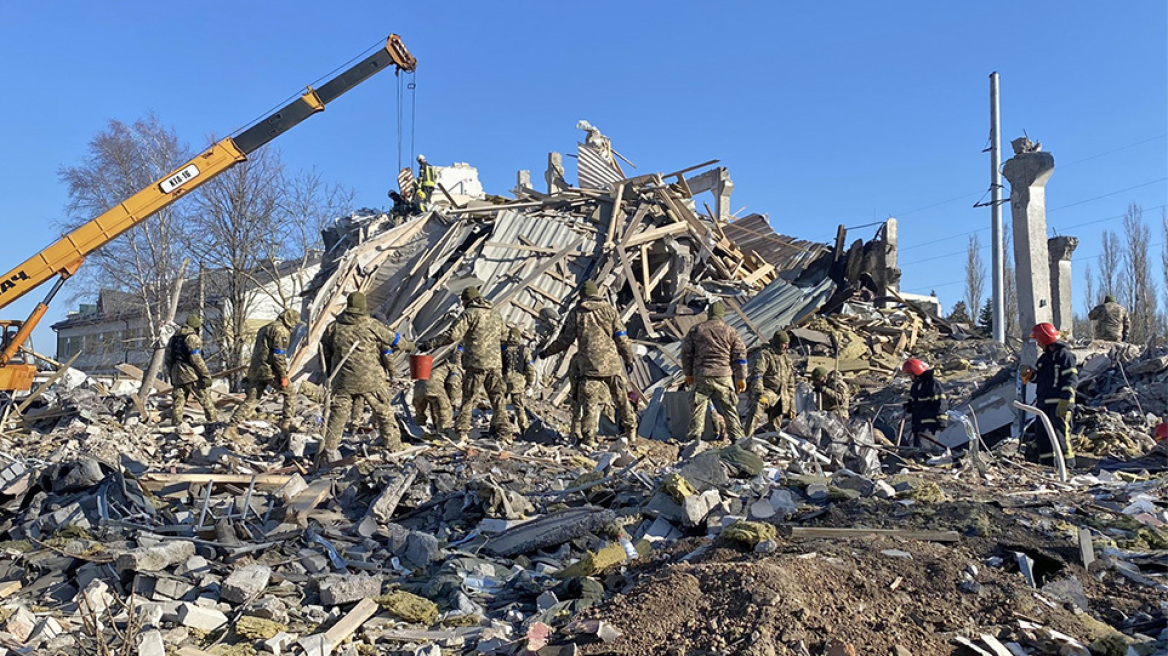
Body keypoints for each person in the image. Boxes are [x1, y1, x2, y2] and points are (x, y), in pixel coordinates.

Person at [539, 280, 637, 444]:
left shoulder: (576, 313)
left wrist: (546, 353)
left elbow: (565, 340)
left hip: (588, 366)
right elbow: (622, 338)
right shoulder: (610, 311)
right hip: (611, 365)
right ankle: (631, 431)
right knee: (621, 400)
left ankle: (589, 439)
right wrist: (628, 359)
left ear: (582, 295)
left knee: (590, 404)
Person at [319, 292, 404, 467]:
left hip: (343, 380)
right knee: (384, 412)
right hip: (371, 380)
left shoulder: (333, 327)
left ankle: (327, 453)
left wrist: (330, 372)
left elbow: (324, 352)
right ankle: (394, 448)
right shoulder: (372, 325)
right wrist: (408, 345)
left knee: (337, 417)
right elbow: (395, 339)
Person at [418, 286, 511, 439]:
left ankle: (461, 431)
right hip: (495, 364)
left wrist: (430, 343)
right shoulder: (496, 314)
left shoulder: (469, 314)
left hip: (476, 364)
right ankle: (505, 432)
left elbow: (453, 335)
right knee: (498, 399)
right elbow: (504, 336)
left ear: (467, 300)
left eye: (463, 301)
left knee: (469, 399)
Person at [681, 301, 747, 441]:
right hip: (724, 375)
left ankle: (694, 440)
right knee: (729, 409)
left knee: (698, 408)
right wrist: (741, 377)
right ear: (722, 315)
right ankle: (738, 440)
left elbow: (686, 354)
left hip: (702, 375)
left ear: (709, 314)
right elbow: (740, 355)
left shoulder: (696, 330)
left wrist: (688, 374)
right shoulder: (731, 331)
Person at [230, 309, 299, 433]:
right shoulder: (281, 331)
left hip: (256, 369)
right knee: (290, 393)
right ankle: (286, 423)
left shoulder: (264, 328)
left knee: (252, 399)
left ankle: (231, 426)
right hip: (269, 370)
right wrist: (283, 375)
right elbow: (279, 355)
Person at [1022, 323, 1077, 469]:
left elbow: (1071, 379)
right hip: (1043, 405)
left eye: (1039, 341)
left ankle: (1068, 468)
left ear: (1045, 339)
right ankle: (1047, 467)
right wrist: (1030, 375)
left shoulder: (1065, 356)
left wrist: (1066, 400)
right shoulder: (1044, 359)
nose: (1038, 344)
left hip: (1060, 403)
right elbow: (1038, 379)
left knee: (1061, 436)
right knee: (1042, 436)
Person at [744, 330, 797, 436]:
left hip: (781, 396)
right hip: (767, 392)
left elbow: (790, 385)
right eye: (784, 344)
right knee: (756, 410)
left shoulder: (787, 359)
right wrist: (759, 393)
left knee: (776, 427)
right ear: (778, 343)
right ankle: (746, 438)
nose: (786, 347)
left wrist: (792, 406)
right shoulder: (765, 355)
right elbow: (758, 375)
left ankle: (772, 444)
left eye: (787, 344)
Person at [165, 314, 216, 425]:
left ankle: (176, 425)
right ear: (196, 327)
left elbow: (167, 359)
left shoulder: (173, 338)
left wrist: (171, 374)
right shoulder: (192, 338)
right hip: (191, 374)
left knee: (178, 402)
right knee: (206, 400)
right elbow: (196, 359)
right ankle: (213, 424)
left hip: (176, 373)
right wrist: (205, 375)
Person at [902, 358, 948, 448]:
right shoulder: (915, 386)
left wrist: (942, 420)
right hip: (918, 425)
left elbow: (941, 402)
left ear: (915, 372)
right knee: (917, 450)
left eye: (910, 374)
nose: (909, 377)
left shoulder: (933, 384)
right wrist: (909, 406)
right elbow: (914, 403)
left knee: (923, 449)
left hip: (930, 426)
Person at [502, 326, 537, 435]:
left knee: (500, 406)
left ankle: (499, 428)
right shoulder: (525, 350)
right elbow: (530, 368)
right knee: (519, 407)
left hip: (503, 380)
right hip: (518, 382)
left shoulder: (502, 348)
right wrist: (529, 383)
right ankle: (524, 429)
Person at [413, 354, 454, 435]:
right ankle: (444, 433)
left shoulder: (431, 365)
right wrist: (451, 399)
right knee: (445, 411)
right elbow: (453, 383)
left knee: (420, 413)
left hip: (418, 388)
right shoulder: (452, 367)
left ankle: (418, 431)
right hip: (434, 387)